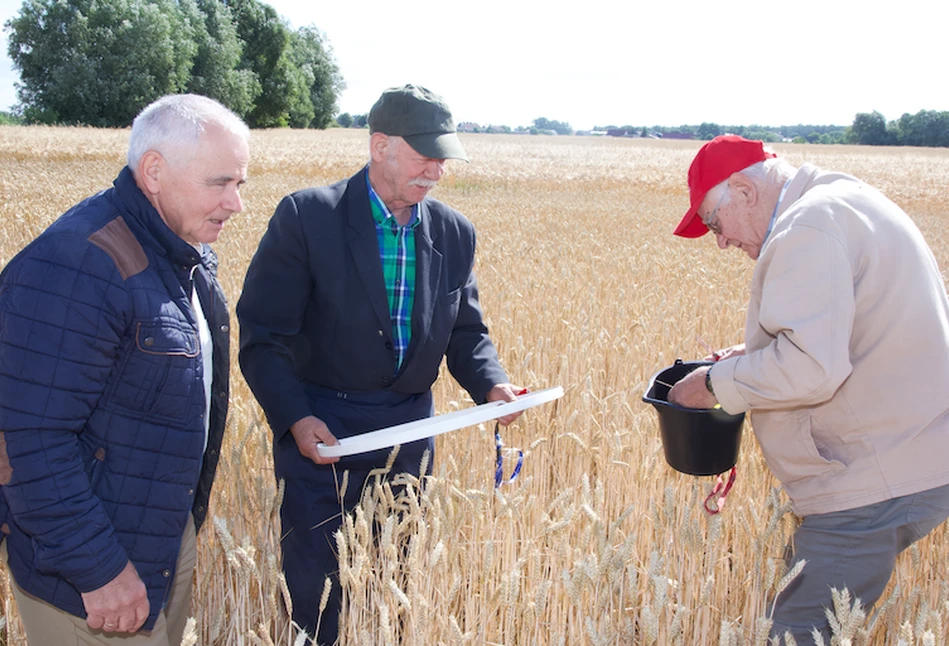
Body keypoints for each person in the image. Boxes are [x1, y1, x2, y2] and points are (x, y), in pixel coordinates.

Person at [237, 83, 523, 644]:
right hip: (323, 434)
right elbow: (263, 336)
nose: (436, 171)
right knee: (316, 592)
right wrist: (295, 417)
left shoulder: (454, 232)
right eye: (424, 155)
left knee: (394, 584)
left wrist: (492, 385)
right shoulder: (307, 218)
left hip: (410, 434)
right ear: (379, 146)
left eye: (442, 157)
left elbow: (465, 331)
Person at [667, 135, 949, 643]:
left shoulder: (807, 228)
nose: (721, 241)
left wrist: (711, 383)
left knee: (797, 632)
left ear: (744, 190)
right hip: (908, 457)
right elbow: (847, 328)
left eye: (714, 222)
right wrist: (747, 358)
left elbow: (813, 369)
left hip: (872, 480)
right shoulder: (843, 200)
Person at [0, 93, 249, 645]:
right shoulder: (78, 263)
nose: (236, 203)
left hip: (158, 535)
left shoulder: (181, 250)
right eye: (220, 183)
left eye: (241, 184)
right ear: (154, 171)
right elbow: (26, 438)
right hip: (90, 570)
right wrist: (98, 569)